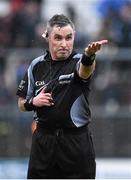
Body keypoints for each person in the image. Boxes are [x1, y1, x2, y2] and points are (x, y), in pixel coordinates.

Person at [16, 14, 108, 179]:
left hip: (76, 142)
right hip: (43, 142)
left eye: (69, 37)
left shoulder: (80, 61)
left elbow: (85, 71)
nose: (64, 44)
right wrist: (33, 102)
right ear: (47, 37)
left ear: (74, 37)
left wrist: (89, 56)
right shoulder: (36, 65)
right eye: (58, 38)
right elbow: (21, 103)